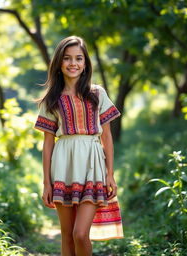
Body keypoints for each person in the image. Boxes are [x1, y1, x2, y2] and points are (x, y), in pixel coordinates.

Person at [34, 35, 123, 256]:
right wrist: (46, 182)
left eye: (79, 58)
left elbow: (107, 137)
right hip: (63, 166)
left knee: (80, 234)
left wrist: (110, 174)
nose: (73, 63)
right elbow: (47, 143)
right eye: (67, 58)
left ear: (85, 64)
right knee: (67, 235)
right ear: (59, 63)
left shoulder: (97, 93)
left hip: (93, 167)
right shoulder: (51, 99)